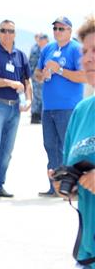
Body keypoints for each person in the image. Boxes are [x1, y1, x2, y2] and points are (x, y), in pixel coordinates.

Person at [57, 15, 95, 269]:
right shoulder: (83, 111)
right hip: (92, 253)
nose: (87, 58)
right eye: (85, 51)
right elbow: (73, 168)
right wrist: (65, 183)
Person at [0, 20, 32, 200]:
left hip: (15, 108)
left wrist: (29, 99)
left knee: (7, 151)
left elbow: (27, 81)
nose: (7, 34)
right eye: (3, 30)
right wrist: (8, 82)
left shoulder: (21, 56)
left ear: (15, 34)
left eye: (11, 31)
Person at [35, 16, 86, 196]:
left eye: (61, 29)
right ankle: (55, 186)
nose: (57, 31)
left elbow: (83, 76)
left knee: (70, 147)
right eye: (55, 28)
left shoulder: (76, 49)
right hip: (48, 108)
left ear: (70, 31)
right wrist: (43, 75)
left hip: (69, 108)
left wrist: (60, 70)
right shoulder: (48, 48)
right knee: (50, 146)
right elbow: (37, 73)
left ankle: (73, 186)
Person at [29, 33, 49, 124]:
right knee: (37, 96)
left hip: (47, 77)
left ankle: (41, 115)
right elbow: (31, 63)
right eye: (40, 40)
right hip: (36, 77)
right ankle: (35, 115)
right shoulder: (35, 50)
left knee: (44, 96)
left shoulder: (49, 49)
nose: (42, 42)